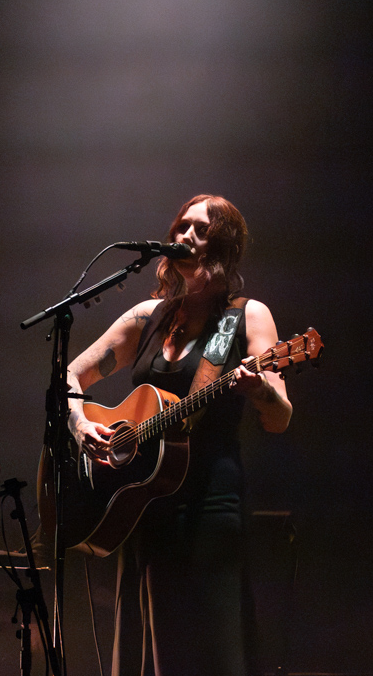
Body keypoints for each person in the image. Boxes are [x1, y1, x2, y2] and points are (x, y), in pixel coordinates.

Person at [66, 194, 292, 675]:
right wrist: (81, 423)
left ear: (225, 245)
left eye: (200, 229)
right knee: (148, 650)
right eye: (180, 227)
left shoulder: (246, 316)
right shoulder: (148, 316)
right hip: (143, 503)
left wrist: (261, 393)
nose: (184, 237)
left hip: (210, 505)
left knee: (206, 650)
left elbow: (280, 417)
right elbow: (70, 376)